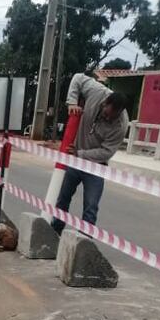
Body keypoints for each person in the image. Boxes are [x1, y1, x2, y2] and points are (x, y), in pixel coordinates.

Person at [51, 73, 129, 235]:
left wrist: (81, 153)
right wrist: (72, 101)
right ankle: (54, 233)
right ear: (105, 102)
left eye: (111, 117)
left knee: (91, 206)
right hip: (75, 162)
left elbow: (106, 152)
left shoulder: (120, 125)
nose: (107, 118)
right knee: (63, 199)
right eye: (106, 113)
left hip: (95, 167)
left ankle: (83, 241)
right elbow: (78, 78)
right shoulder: (97, 91)